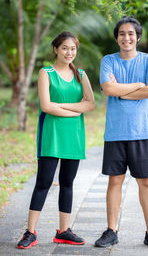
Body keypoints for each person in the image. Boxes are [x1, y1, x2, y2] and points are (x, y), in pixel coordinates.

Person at [16, 31, 95, 249]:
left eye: (73, 49)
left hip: (74, 135)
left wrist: (62, 107)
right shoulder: (46, 73)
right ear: (56, 49)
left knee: (67, 183)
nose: (70, 52)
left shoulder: (81, 74)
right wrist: (73, 111)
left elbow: (90, 104)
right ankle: (30, 232)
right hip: (51, 133)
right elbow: (46, 106)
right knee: (43, 182)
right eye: (65, 48)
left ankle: (64, 231)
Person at [95, 17, 148, 250]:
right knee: (114, 181)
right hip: (115, 132)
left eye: (131, 34)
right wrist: (138, 85)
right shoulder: (108, 60)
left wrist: (122, 92)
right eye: (122, 34)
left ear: (138, 37)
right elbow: (108, 88)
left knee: (145, 182)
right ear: (117, 38)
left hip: (142, 131)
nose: (126, 38)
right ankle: (111, 230)